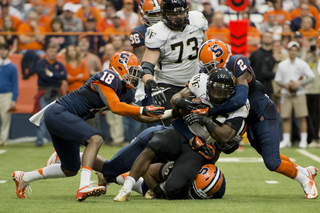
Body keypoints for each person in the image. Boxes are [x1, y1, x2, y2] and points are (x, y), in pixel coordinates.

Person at [12, 51, 165, 201]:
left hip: (64, 118)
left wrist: (171, 113)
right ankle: (84, 186)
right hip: (59, 112)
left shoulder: (125, 90)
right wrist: (144, 108)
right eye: (131, 71)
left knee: (70, 168)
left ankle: (24, 177)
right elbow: (116, 106)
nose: (134, 75)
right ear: (120, 68)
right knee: (95, 139)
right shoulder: (108, 77)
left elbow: (140, 116)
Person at [198, 39, 318, 199]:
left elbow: (240, 99)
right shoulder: (217, 72)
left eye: (210, 66)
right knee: (270, 155)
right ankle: (303, 171)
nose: (208, 71)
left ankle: (305, 180)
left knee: (272, 162)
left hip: (262, 112)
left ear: (221, 59)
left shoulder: (235, 63)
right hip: (247, 118)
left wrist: (211, 111)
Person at [114, 67, 248, 201]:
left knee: (172, 188)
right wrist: (180, 101)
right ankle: (126, 188)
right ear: (207, 86)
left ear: (231, 93)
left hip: (199, 149)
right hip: (182, 132)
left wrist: (205, 121)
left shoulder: (239, 106)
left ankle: (155, 189)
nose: (217, 96)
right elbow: (175, 98)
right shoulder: (200, 82)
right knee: (154, 144)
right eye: (214, 90)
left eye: (222, 93)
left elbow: (225, 136)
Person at [140, 0, 208, 125]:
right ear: (165, 14)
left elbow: (206, 49)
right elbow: (146, 67)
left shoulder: (197, 20)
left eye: (181, 13)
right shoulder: (158, 32)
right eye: (173, 14)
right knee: (174, 128)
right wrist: (152, 86)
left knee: (199, 123)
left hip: (194, 84)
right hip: (168, 85)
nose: (178, 17)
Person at [275, 41, 315, 149]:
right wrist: (285, 84)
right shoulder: (282, 64)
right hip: (286, 93)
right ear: (288, 51)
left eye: (295, 50)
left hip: (299, 92)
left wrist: (299, 83)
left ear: (297, 51)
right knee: (285, 117)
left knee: (302, 116)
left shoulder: (302, 63)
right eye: (291, 50)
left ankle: (303, 140)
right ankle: (286, 140)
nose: (293, 52)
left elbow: (312, 77)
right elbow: (277, 80)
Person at [33, 43, 68, 146]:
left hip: (56, 93)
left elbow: (64, 76)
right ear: (47, 51)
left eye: (55, 51)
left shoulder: (59, 64)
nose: (53, 53)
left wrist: (51, 74)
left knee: (58, 117)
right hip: (44, 93)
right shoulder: (41, 63)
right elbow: (43, 76)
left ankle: (59, 140)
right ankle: (39, 139)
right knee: (41, 117)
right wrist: (57, 76)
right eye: (51, 51)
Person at [0, 43, 18, 147]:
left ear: (8, 51)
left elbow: (15, 84)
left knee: (5, 118)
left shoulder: (12, 67)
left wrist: (14, 99)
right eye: (1, 50)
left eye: (4, 49)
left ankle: (3, 141)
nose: (2, 52)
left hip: (7, 94)